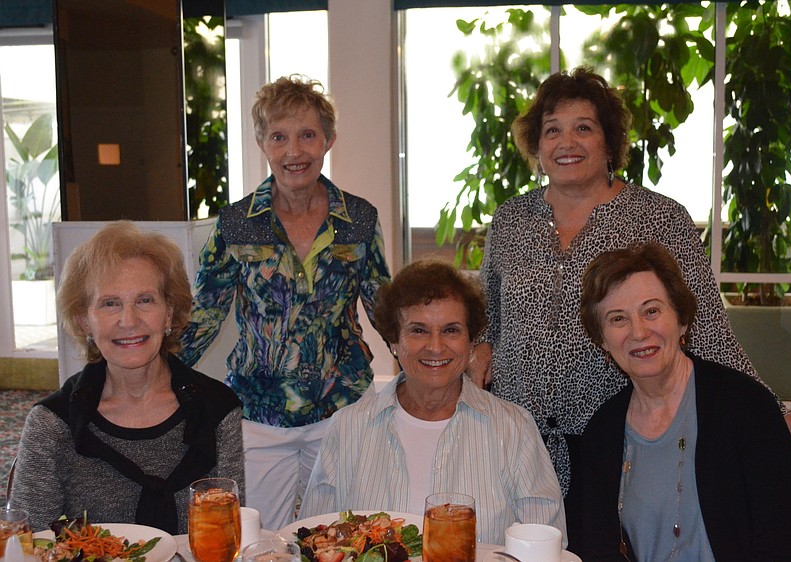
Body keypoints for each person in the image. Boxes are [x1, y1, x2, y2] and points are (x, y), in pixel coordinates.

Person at [470, 66, 791, 540]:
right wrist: (480, 346)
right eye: (552, 130)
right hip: (517, 439)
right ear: (537, 147)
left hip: (616, 438)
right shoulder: (510, 220)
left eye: (583, 127)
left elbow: (706, 327)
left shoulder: (659, 217)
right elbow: (487, 315)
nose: (567, 142)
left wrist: (772, 412)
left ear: (609, 142)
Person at [179, 75, 391, 529]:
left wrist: (427, 370)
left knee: (346, 535)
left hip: (343, 408)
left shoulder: (360, 218)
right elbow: (206, 314)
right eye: (279, 137)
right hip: (259, 411)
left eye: (307, 135)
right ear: (262, 142)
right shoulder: (235, 222)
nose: (294, 151)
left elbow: (384, 307)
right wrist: (148, 380)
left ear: (328, 140)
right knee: (259, 538)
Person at [576, 242, 791, 561]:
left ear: (682, 319)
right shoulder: (601, 434)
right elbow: (592, 545)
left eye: (652, 311)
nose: (639, 331)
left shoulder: (746, 408)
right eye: (618, 319)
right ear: (603, 340)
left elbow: (784, 543)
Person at [300, 260, 567, 546]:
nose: (436, 347)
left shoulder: (515, 429)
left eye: (451, 330)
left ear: (471, 340)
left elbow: (548, 547)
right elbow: (315, 540)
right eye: (419, 330)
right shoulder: (347, 428)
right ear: (393, 340)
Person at [10, 221, 244, 535]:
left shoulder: (218, 410)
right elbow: (26, 547)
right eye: (110, 304)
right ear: (84, 322)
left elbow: (227, 536)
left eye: (145, 300)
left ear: (169, 314)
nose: (128, 320)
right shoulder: (53, 424)